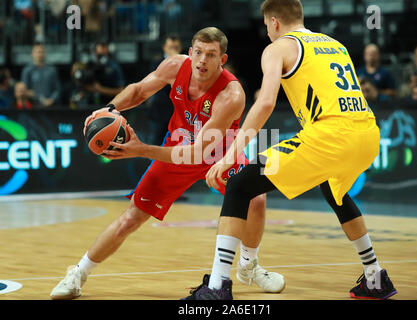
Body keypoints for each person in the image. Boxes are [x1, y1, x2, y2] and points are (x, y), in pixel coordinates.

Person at [50, 27, 285, 300]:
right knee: (131, 218)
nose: (202, 60)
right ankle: (77, 273)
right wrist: (109, 109)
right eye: (198, 52)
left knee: (255, 198)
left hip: (217, 154)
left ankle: (249, 265)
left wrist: (141, 150)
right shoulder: (175, 66)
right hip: (177, 148)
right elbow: (138, 91)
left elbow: (198, 153)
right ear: (189, 52)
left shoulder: (231, 95)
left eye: (210, 55)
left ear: (222, 60)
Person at [184, 0, 397, 300]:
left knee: (239, 183)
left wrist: (232, 153)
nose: (267, 32)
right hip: (366, 132)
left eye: (266, 26)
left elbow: (267, 103)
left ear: (273, 22)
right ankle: (375, 277)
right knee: (334, 192)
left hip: (330, 135)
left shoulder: (278, 48)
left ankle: (218, 287)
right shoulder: (334, 44)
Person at [147, 34, 183, 145]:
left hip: (179, 113)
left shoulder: (188, 64)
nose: (173, 50)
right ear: (164, 48)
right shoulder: (156, 63)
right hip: (159, 112)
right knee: (156, 143)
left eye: (176, 48)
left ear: (180, 48)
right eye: (171, 48)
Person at [20, 42, 61, 108]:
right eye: (37, 52)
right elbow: (23, 90)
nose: (39, 54)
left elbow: (57, 90)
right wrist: (34, 96)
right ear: (32, 54)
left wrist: (51, 100)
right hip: (33, 107)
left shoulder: (52, 70)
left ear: (45, 54)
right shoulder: (27, 70)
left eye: (41, 52)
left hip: (50, 106)